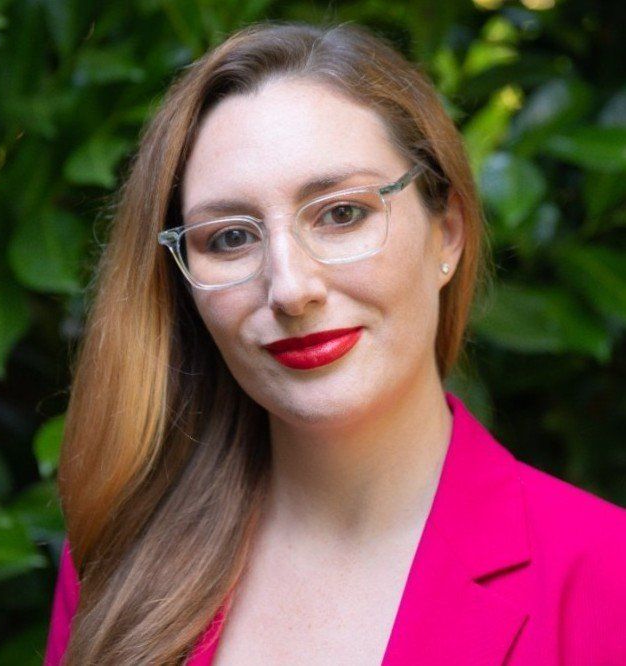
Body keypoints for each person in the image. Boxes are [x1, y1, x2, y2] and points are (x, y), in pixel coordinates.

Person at [43, 20, 626, 666]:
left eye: (342, 213)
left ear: (448, 232)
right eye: (230, 237)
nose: (291, 289)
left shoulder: (605, 580)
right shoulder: (118, 557)